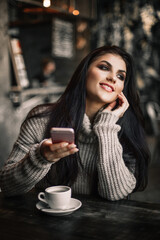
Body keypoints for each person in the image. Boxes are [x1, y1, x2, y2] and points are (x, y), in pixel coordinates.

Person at [0, 45, 150, 200]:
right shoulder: (41, 119)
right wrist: (41, 157)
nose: (113, 78)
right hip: (45, 220)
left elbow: (115, 194)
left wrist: (107, 127)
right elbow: (7, 185)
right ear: (84, 73)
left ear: (122, 89)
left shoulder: (128, 129)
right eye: (104, 67)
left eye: (121, 76)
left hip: (101, 223)